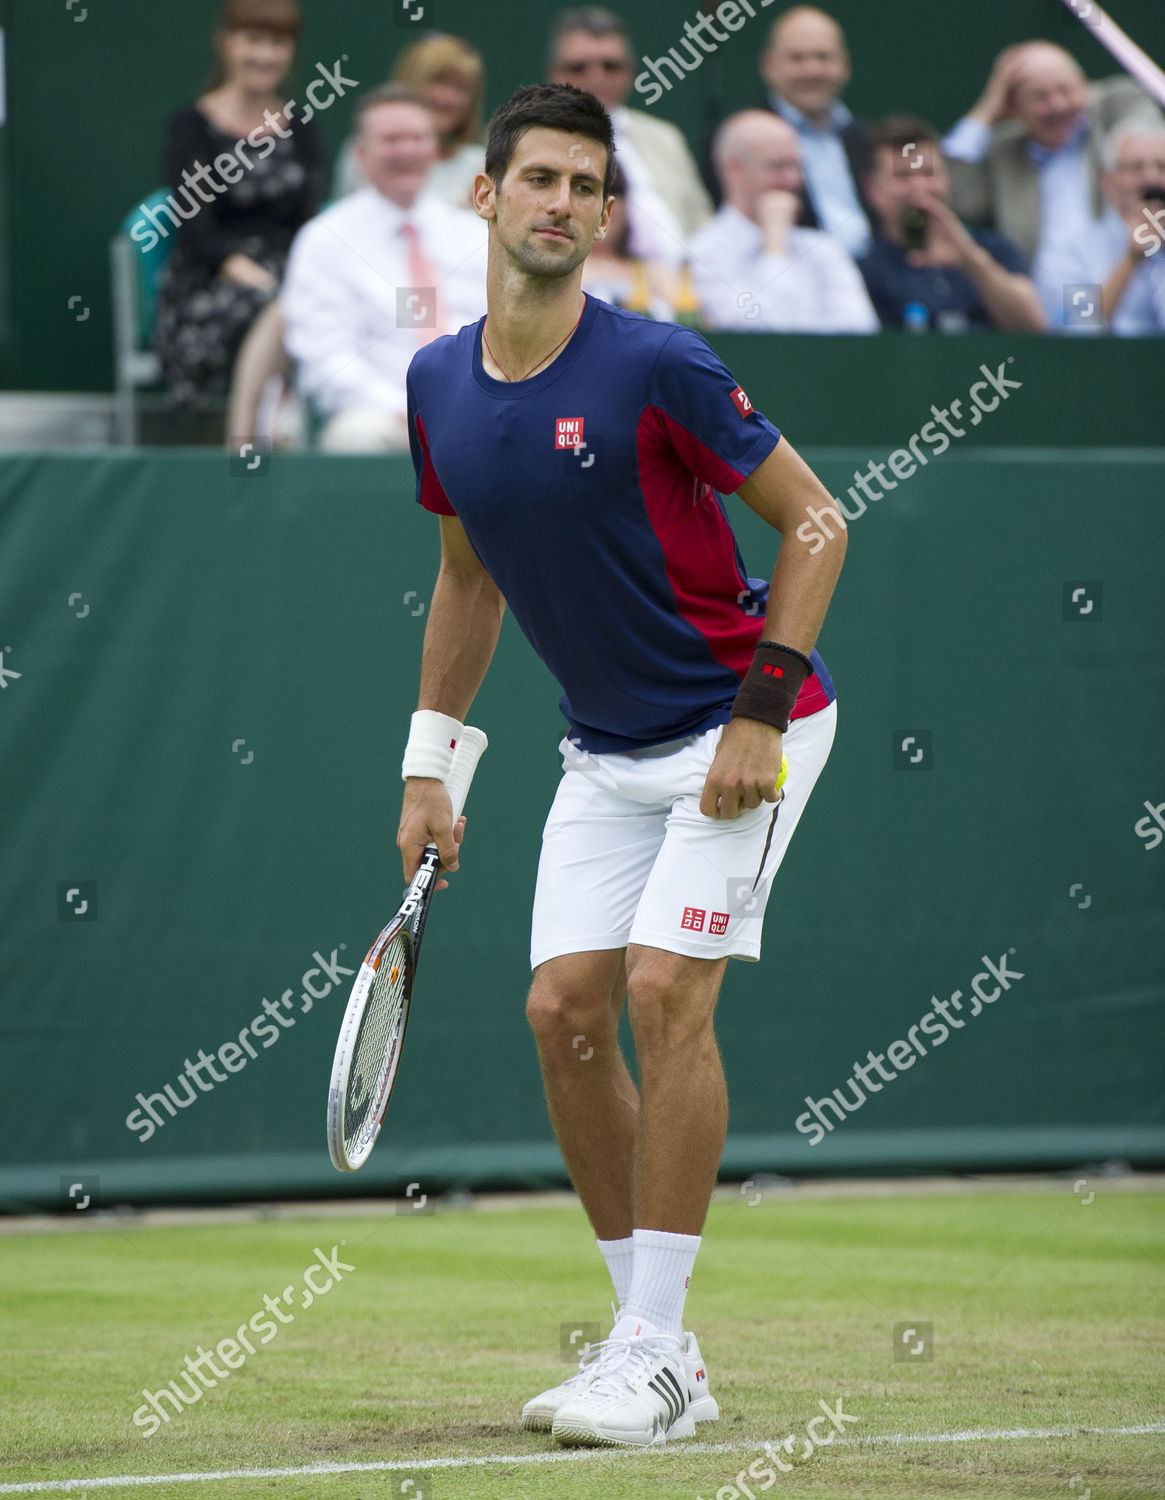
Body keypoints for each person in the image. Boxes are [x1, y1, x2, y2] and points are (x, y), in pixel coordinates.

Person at [400, 82, 844, 1448]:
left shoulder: (659, 363)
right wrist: (431, 771)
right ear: (485, 197)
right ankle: (659, 1353)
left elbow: (817, 522)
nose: (560, 203)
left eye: (586, 186)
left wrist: (759, 714)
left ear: (605, 211)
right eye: (536, 178)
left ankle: (649, 1350)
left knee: (663, 991)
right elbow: (466, 579)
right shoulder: (435, 383)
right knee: (562, 1015)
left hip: (742, 730)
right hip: (601, 754)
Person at [281, 87, 486, 453]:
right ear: (360, 154)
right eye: (391, 140)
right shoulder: (324, 240)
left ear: (435, 149)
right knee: (359, 437)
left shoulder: (475, 235)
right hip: (379, 419)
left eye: (417, 138)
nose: (406, 151)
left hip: (479, 410)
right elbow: (326, 360)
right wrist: (405, 413)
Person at [153, 0, 323, 414]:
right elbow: (194, 227)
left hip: (289, 275)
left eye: (278, 42)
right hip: (210, 283)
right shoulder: (192, 125)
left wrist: (296, 282)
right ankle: (250, 436)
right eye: (253, 40)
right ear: (227, 44)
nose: (264, 55)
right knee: (273, 310)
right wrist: (256, 279)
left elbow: (309, 224)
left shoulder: (302, 128)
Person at [943, 41, 1162, 265]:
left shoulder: (1114, 106)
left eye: (1065, 90)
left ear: (1085, 85)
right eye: (1040, 97)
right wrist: (986, 109)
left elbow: (1146, 139)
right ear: (1013, 105)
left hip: (1133, 276)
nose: (1057, 105)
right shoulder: (1005, 151)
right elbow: (958, 197)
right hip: (1044, 293)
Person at [548, 7, 713, 264]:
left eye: (610, 66)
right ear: (556, 74)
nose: (596, 77)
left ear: (630, 72)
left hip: (682, 291)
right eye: (579, 67)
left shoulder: (665, 138)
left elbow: (702, 224)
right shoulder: (529, 137)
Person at [687, 111, 878, 332]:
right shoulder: (702, 252)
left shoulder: (824, 248)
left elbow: (858, 332)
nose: (793, 180)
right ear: (733, 170)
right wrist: (775, 244)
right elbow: (763, 334)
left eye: (797, 167)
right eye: (778, 167)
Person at [858, 116, 1045, 332]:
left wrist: (969, 259)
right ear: (873, 190)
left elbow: (1031, 326)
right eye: (903, 176)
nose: (919, 186)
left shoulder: (995, 249)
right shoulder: (863, 271)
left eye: (929, 173)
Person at [756, 5, 875, 257]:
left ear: (844, 65)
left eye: (823, 57)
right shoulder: (747, 141)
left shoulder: (867, 138)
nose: (811, 70)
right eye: (797, 58)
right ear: (768, 65)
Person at [1036, 120, 1165, 334]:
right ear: (1107, 180)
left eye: (1162, 167)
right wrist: (1132, 258)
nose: (1151, 179)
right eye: (1136, 168)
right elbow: (1077, 331)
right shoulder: (1069, 249)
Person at [333, 34, 485, 209]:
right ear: (412, 82)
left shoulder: (481, 166)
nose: (447, 98)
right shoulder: (366, 152)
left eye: (460, 88)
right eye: (439, 82)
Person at [580, 165, 694, 321]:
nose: (606, 203)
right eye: (590, 191)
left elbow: (690, 323)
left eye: (616, 190)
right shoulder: (561, 269)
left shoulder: (654, 273)